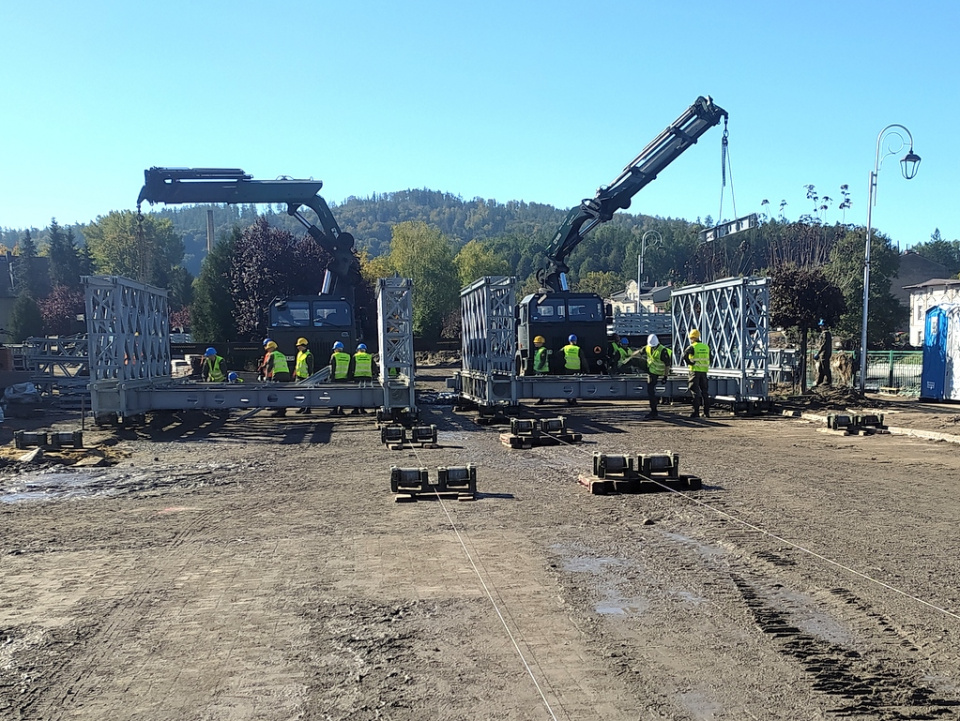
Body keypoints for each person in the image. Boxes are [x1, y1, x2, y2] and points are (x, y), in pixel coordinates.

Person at [642, 333, 672, 420]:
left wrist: (665, 377)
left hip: (661, 372)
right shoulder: (648, 347)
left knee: (651, 390)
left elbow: (667, 365)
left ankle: (654, 411)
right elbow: (640, 351)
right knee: (650, 391)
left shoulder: (662, 350)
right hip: (652, 372)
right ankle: (653, 410)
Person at [682, 329, 710, 418]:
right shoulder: (706, 347)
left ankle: (696, 412)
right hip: (704, 372)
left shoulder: (692, 347)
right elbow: (711, 358)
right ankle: (706, 412)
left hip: (694, 371)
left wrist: (690, 363)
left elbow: (684, 356)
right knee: (705, 392)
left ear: (691, 338)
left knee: (695, 392)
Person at [263, 340, 291, 416]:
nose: (267, 350)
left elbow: (269, 366)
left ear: (272, 348)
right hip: (286, 375)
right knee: (283, 393)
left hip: (278, 375)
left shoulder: (272, 355)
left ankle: (280, 411)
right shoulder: (281, 354)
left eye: (268, 348)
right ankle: (283, 410)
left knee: (277, 393)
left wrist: (267, 377)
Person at [560, 334, 588, 405]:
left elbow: (558, 354)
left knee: (568, 383)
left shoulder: (565, 348)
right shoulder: (578, 349)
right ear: (575, 341)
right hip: (576, 369)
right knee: (575, 385)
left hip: (568, 368)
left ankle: (568, 398)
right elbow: (583, 360)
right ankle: (574, 399)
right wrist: (586, 369)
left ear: (569, 341)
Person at [350, 343, 376, 414]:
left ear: (358, 350)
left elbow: (352, 367)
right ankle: (362, 409)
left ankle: (355, 409)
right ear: (365, 350)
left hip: (357, 376)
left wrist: (350, 376)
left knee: (356, 393)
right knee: (365, 393)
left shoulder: (355, 356)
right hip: (367, 376)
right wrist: (375, 374)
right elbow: (374, 366)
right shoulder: (369, 356)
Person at [329, 341, 351, 415]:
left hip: (336, 378)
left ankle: (335, 410)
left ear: (335, 349)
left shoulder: (334, 356)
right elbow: (350, 368)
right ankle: (341, 409)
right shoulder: (347, 356)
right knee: (342, 394)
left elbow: (332, 368)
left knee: (334, 394)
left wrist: (331, 378)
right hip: (344, 378)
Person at [294, 337, 315, 415]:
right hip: (299, 376)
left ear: (304, 345)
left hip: (306, 377)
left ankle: (307, 408)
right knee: (300, 393)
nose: (298, 347)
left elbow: (310, 367)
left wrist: (310, 376)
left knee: (307, 394)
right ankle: (302, 407)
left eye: (299, 345)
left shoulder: (308, 355)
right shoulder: (299, 353)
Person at [814, 320, 833, 387]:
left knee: (825, 367)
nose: (820, 327)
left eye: (821, 325)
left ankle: (828, 381)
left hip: (824, 353)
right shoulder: (825, 333)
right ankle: (819, 381)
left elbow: (823, 344)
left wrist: (818, 353)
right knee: (821, 368)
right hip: (823, 353)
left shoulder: (826, 333)